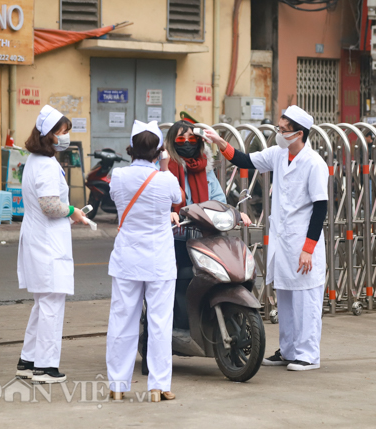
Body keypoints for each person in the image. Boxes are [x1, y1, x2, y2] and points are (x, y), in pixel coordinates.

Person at [208, 105, 329, 371]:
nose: (279, 133)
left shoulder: (314, 163)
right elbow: (244, 160)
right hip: (283, 241)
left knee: (305, 299)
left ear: (299, 134)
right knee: (285, 297)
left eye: (284, 130)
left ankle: (308, 355)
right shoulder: (278, 154)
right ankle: (287, 350)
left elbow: (321, 208)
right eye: (279, 128)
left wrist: (308, 248)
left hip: (302, 241)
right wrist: (220, 143)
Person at [106, 120, 182, 401]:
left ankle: (117, 385)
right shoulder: (167, 179)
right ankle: (158, 386)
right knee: (160, 322)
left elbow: (117, 201)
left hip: (127, 258)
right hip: (159, 261)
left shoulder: (118, 176)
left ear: (131, 148)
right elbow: (178, 198)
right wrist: (163, 166)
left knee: (122, 321)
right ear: (159, 151)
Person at [16, 105, 88, 384]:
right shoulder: (45, 165)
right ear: (48, 135)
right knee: (51, 305)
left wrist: (71, 213)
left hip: (41, 240)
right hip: (46, 244)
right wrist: (73, 211)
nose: (66, 137)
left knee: (42, 303)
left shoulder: (35, 161)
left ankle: (28, 360)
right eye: (62, 132)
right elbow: (49, 205)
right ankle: (45, 367)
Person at [164, 121, 250, 329]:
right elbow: (162, 198)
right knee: (184, 273)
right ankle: (178, 322)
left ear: (200, 141)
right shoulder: (167, 169)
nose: (187, 143)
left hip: (204, 234)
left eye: (191, 138)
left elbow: (218, 198)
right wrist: (169, 213)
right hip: (177, 235)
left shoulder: (204, 167)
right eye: (181, 139)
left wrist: (236, 213)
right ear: (172, 143)